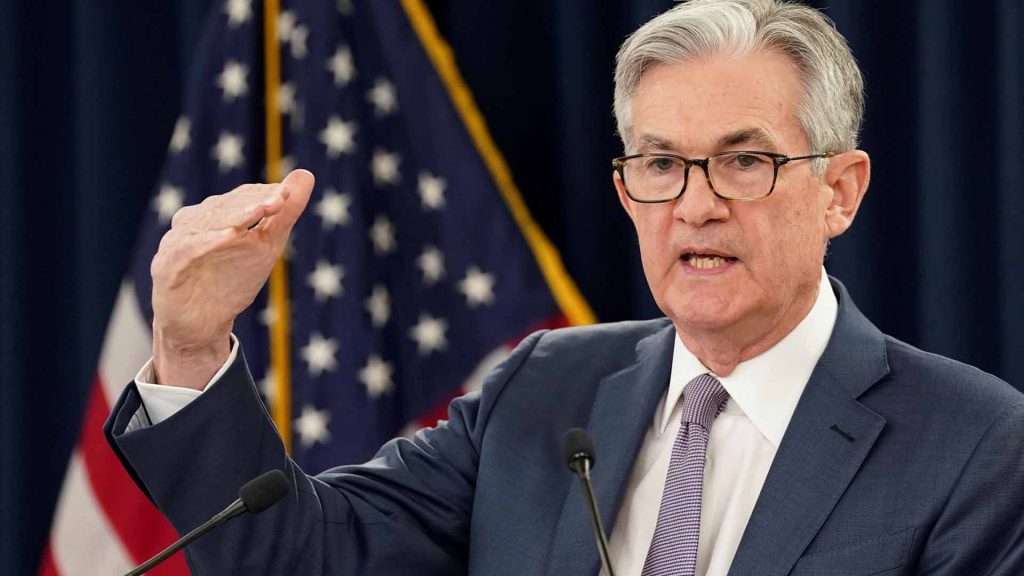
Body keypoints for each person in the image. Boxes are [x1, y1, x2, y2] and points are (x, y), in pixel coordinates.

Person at [105, 0, 1024, 574]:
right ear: (626, 192)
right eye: (660, 164)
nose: (695, 205)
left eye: (744, 161)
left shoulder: (976, 444)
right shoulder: (542, 387)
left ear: (839, 192)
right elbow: (300, 555)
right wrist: (191, 343)